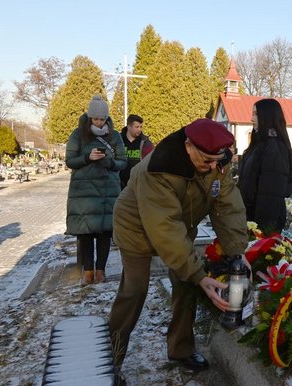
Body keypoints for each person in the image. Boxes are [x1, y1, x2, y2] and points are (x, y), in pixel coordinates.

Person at [108, 118, 248, 372]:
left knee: (186, 285)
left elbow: (228, 207)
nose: (213, 166)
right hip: (136, 226)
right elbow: (165, 227)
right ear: (188, 146)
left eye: (217, 160)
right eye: (206, 160)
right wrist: (198, 274)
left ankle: (181, 349)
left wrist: (237, 250)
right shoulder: (160, 168)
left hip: (181, 223)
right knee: (135, 289)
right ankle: (111, 358)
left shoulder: (216, 162)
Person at [65, 95, 127, 286]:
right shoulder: (78, 134)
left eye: (102, 119)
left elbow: (122, 162)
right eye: (96, 119)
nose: (99, 122)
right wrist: (87, 157)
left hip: (107, 190)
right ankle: (88, 272)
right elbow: (69, 161)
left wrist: (108, 162)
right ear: (90, 117)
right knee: (85, 233)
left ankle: (101, 271)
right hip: (83, 191)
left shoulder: (114, 136)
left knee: (104, 232)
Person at [237, 98, 292, 234]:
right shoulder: (260, 144)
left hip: (262, 224)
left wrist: (262, 231)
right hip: (250, 218)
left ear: (268, 116)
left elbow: (270, 195)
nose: (251, 118)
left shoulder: (274, 148)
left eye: (256, 114)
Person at [119, 114, 154, 189]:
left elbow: (151, 162)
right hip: (119, 183)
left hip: (138, 184)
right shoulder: (118, 140)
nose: (139, 129)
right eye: (137, 127)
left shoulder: (146, 143)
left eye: (141, 127)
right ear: (129, 126)